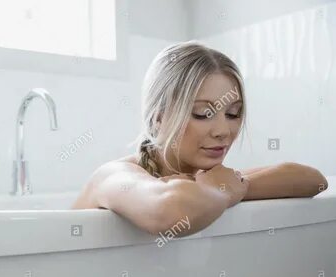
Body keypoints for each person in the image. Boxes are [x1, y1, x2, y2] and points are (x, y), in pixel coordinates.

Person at [71, 41, 328, 237]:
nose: (223, 131)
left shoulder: (203, 181)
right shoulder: (113, 176)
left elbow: (313, 181)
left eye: (232, 113)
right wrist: (222, 188)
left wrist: (230, 186)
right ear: (158, 119)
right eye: (203, 114)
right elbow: (169, 210)